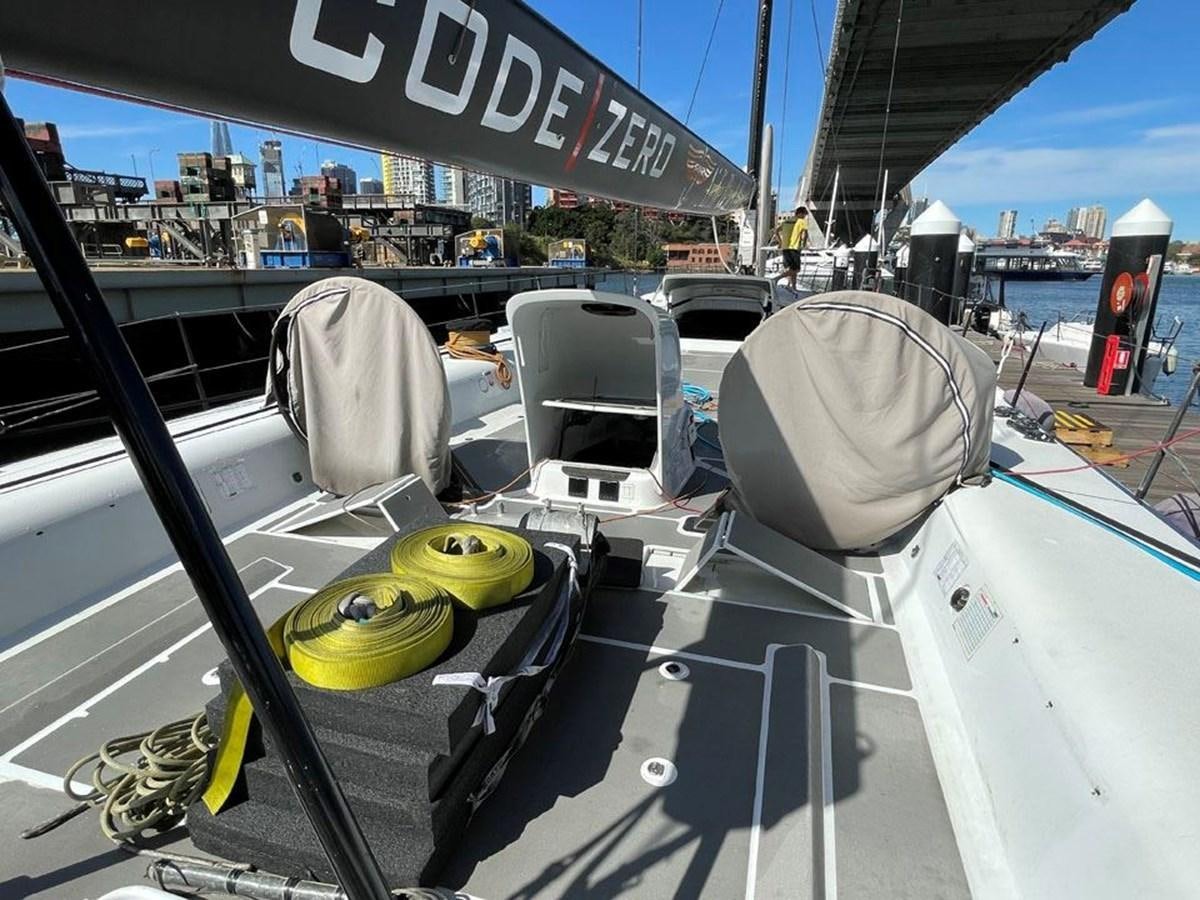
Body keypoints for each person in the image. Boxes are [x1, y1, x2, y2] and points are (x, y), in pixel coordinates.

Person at [774, 206, 809, 291]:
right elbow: (804, 234)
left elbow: (776, 231)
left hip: (785, 248)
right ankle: (777, 278)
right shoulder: (802, 221)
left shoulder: (786, 221)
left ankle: (793, 287)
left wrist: (780, 242)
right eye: (804, 214)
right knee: (797, 269)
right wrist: (803, 245)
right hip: (794, 247)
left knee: (791, 269)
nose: (804, 216)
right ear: (800, 213)